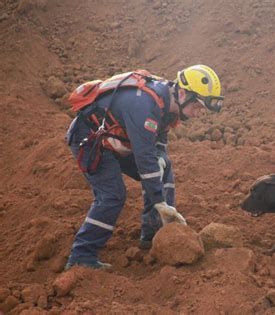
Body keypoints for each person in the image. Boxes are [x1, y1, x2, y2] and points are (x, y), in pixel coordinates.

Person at [64, 65, 224, 270]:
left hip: (116, 138)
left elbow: (159, 141)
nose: (197, 114)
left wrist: (160, 158)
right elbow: (144, 158)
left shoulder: (169, 103)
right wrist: (160, 202)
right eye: (198, 107)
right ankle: (81, 256)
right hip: (89, 139)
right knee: (113, 195)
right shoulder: (145, 106)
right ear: (183, 93)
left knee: (162, 167)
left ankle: (154, 234)